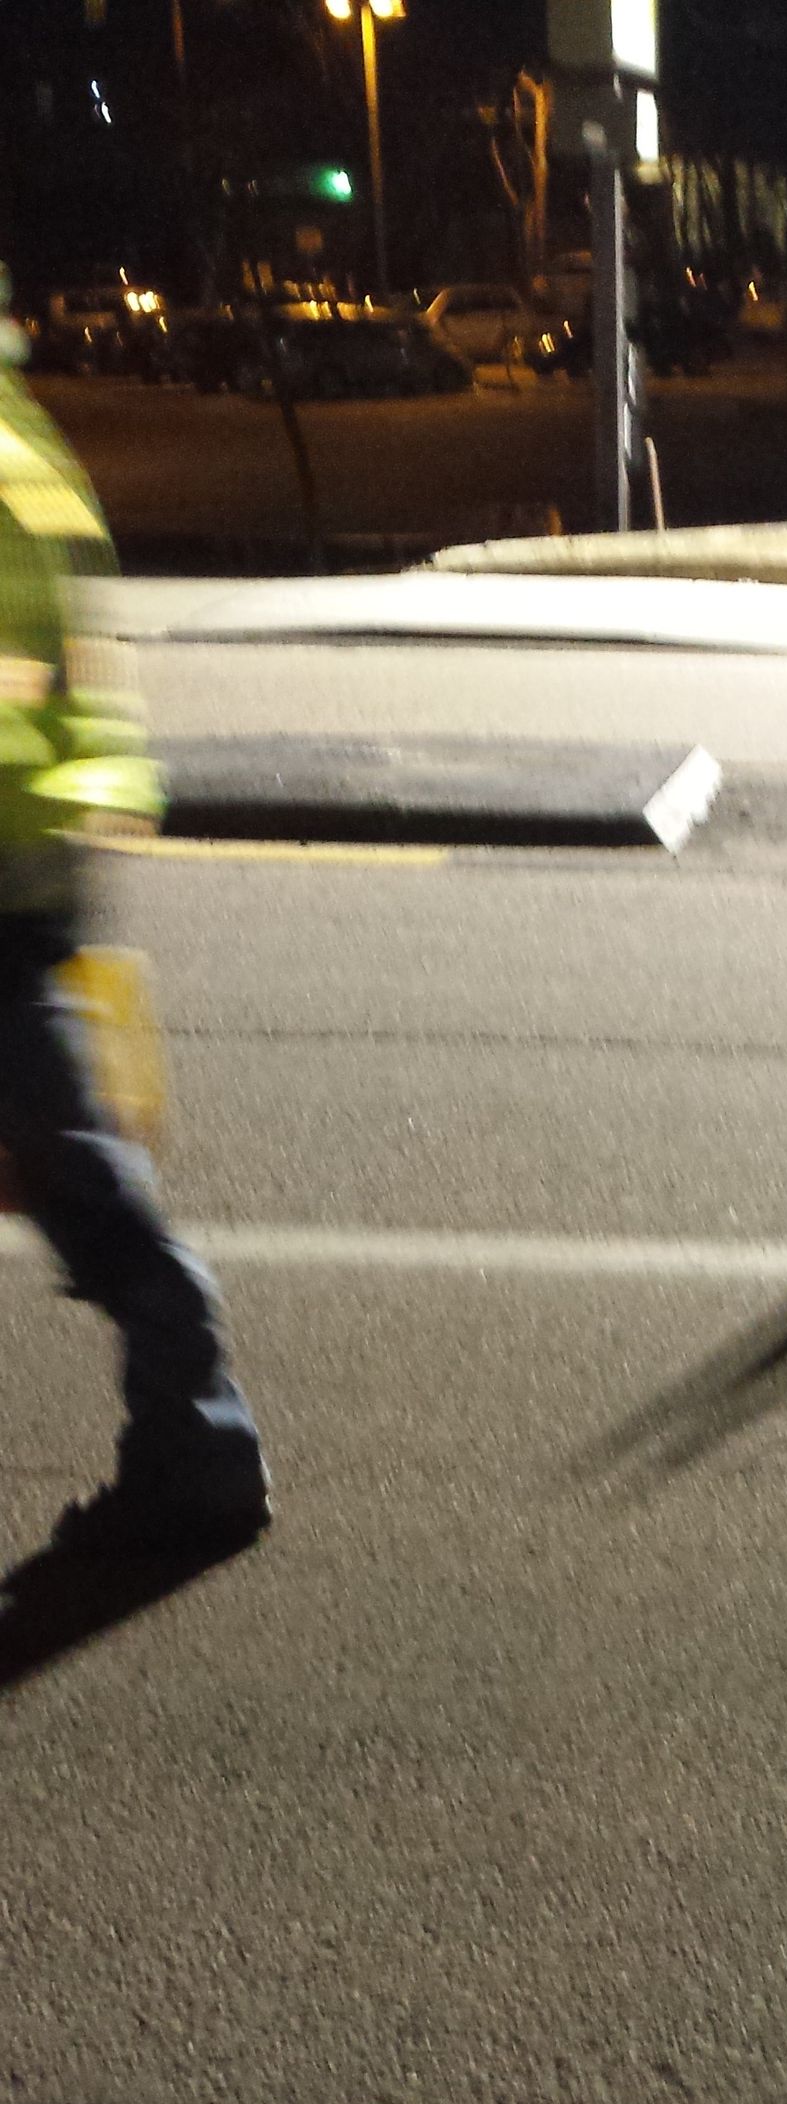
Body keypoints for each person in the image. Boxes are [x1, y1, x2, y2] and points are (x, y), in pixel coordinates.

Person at [0, 266, 269, 1563]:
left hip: (1, 875)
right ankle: (195, 1435)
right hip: (29, 862)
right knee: (62, 1163)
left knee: (78, 1179)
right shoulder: (22, 440)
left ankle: (200, 1436)